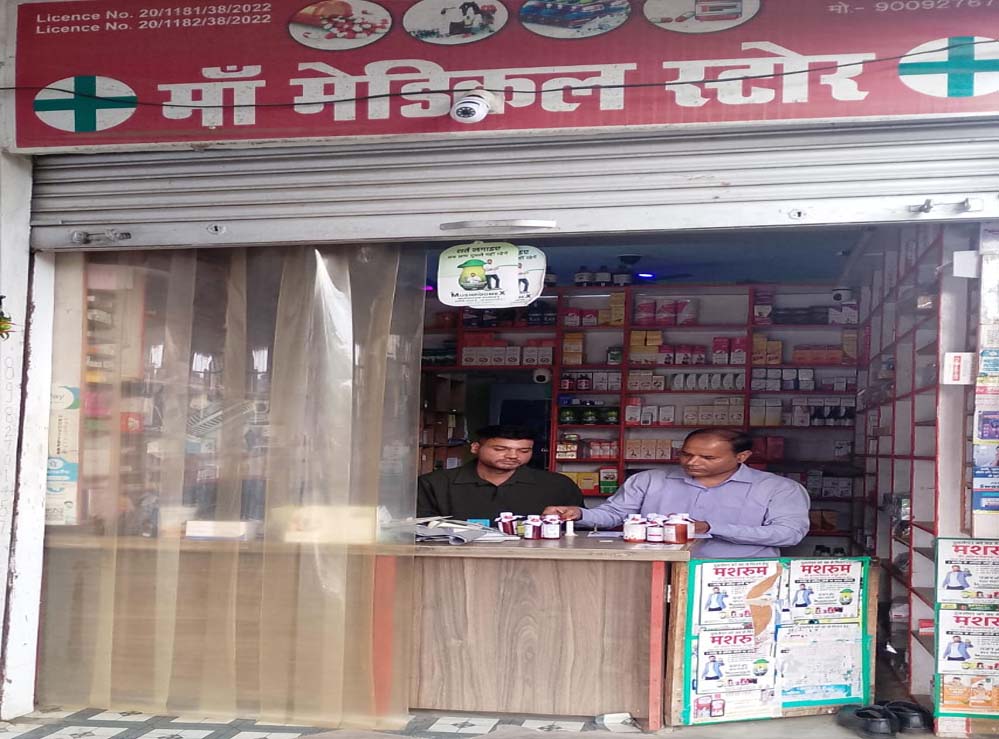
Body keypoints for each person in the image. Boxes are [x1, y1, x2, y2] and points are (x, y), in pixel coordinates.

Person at [543, 428, 810, 559]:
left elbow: (788, 534)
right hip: (657, 569)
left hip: (736, 574)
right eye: (686, 454)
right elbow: (614, 514)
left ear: (742, 456)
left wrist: (711, 528)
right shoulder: (649, 480)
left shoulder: (779, 489)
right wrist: (578, 514)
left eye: (707, 457)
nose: (692, 462)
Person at [418, 424, 584, 521]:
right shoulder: (434, 483)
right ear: (475, 448)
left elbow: (579, 530)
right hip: (454, 562)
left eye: (524, 451)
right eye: (500, 449)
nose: (513, 456)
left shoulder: (557, 485)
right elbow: (419, 530)